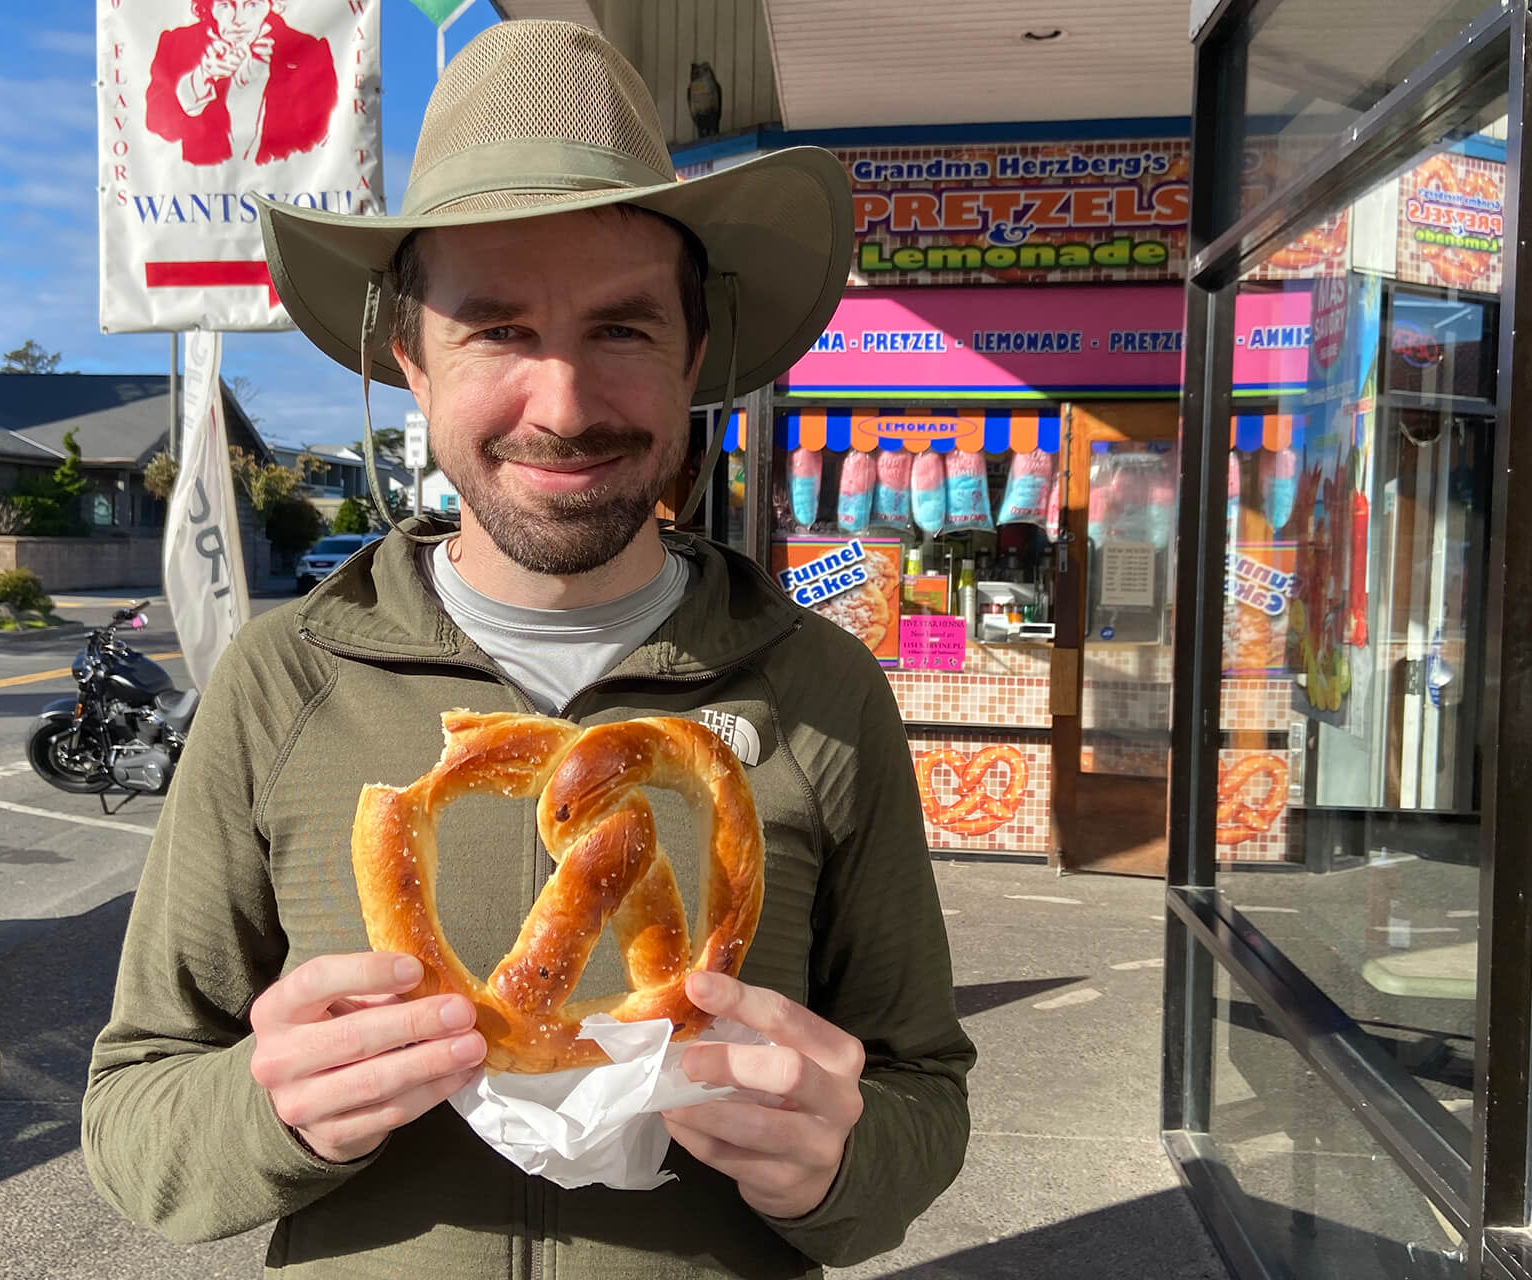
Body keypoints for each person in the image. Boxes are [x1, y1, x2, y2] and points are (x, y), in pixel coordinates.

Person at [85, 20, 973, 1278]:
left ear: (694, 354)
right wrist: (267, 1112)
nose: (561, 405)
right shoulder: (282, 681)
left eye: (620, 329)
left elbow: (925, 1091)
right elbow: (132, 1118)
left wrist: (845, 1164)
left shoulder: (822, 689)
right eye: (497, 331)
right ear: (410, 356)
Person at [145, 0, 336, 167]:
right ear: (208, 5)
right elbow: (158, 126)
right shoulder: (176, 45)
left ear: (271, 4)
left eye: (252, 4)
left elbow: (321, 138)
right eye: (225, 4)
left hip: (286, 195)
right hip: (202, 196)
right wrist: (202, 77)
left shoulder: (309, 51)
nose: (238, 19)